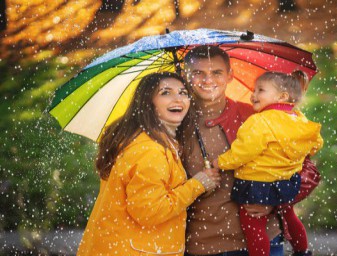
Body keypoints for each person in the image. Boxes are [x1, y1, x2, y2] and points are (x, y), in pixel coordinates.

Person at [179, 46, 321, 256]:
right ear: (185, 76)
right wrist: (196, 184)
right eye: (198, 73)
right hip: (203, 245)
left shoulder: (259, 116)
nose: (208, 80)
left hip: (265, 238)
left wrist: (275, 200)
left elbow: (307, 169)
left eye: (216, 72)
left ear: (230, 76)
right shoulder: (174, 123)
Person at [77, 72, 220, 255]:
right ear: (148, 102)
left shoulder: (151, 141)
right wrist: (197, 185)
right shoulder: (150, 151)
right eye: (166, 93)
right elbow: (150, 211)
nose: (178, 99)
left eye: (183, 93)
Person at [212, 71, 323, 256]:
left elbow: (243, 152)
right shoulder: (299, 118)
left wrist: (221, 162)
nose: (253, 95)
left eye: (260, 90)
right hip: (287, 181)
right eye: (254, 90)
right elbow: (316, 143)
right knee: (290, 216)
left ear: (282, 96)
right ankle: (302, 251)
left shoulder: (259, 121)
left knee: (253, 226)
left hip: (257, 183)